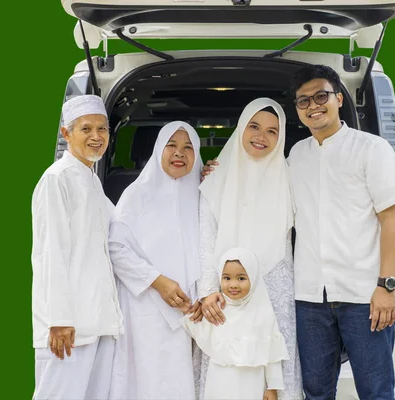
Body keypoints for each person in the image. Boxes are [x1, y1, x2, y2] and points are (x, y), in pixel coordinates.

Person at [288, 65, 395, 399]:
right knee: (315, 391)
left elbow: (391, 217)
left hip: (364, 295)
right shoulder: (296, 155)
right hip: (310, 296)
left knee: (376, 390)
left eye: (321, 96)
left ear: (339, 98)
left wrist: (387, 286)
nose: (313, 105)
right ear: (298, 111)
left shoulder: (372, 148)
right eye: (303, 101)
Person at [197, 98, 303, 400]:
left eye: (272, 131)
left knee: (272, 376)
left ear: (281, 137)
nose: (262, 136)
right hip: (226, 293)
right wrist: (208, 292)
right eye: (254, 127)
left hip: (275, 289)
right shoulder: (216, 176)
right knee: (227, 375)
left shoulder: (291, 176)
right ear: (241, 128)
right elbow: (207, 239)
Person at [30, 95, 123, 400]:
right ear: (65, 133)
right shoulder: (57, 179)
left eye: (102, 129)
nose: (96, 137)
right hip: (68, 326)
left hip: (95, 320)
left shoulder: (91, 179)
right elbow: (50, 253)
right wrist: (59, 319)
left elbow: (122, 231)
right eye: (86, 129)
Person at [108, 121, 204, 400]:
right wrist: (158, 282)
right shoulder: (136, 194)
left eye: (188, 147)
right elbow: (116, 249)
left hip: (191, 312)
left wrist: (203, 294)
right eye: (171, 145)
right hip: (144, 311)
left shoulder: (203, 195)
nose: (179, 153)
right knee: (147, 383)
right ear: (158, 149)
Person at [182, 247, 288, 400]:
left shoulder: (262, 313)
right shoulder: (218, 310)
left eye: (241, 278)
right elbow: (200, 329)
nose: (233, 285)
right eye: (227, 278)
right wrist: (186, 309)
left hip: (251, 383)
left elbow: (272, 355)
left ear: (253, 278)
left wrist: (272, 387)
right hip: (220, 382)